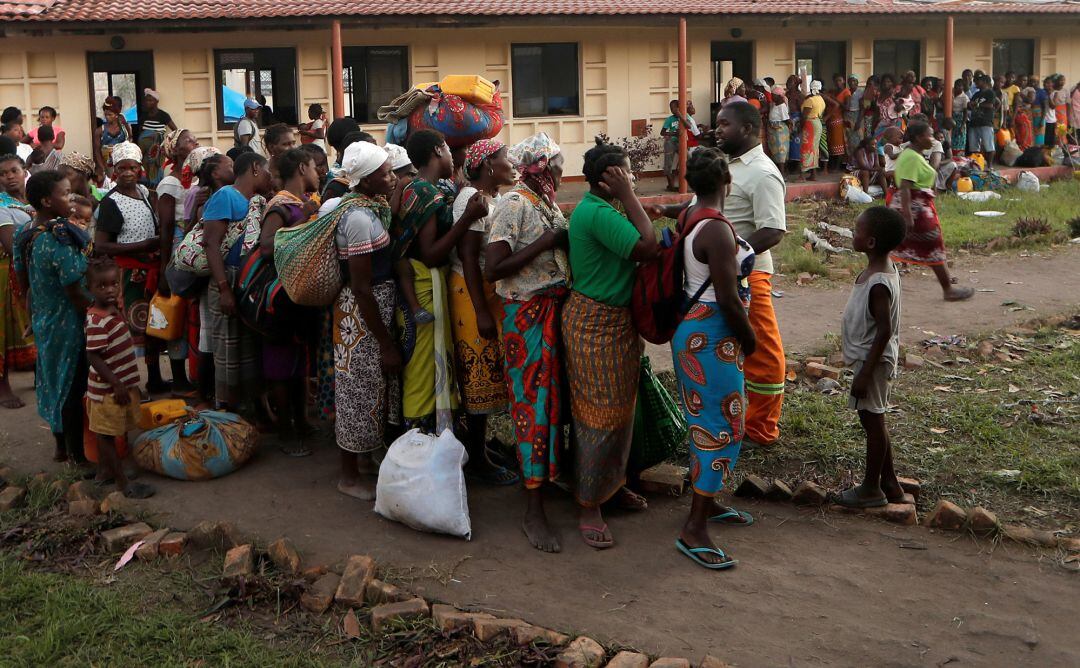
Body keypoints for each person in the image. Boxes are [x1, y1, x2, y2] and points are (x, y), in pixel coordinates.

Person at [563, 140, 659, 549]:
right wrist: (630, 196)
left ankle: (610, 486)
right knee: (597, 417)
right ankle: (589, 504)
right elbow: (648, 246)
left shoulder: (604, 210)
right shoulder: (599, 212)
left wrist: (628, 199)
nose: (633, 178)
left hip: (614, 324)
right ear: (610, 181)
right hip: (596, 326)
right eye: (626, 173)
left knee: (619, 414)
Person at [670, 148, 757, 570]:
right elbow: (728, 299)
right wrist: (751, 341)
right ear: (728, 183)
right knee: (726, 425)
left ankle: (708, 499)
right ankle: (694, 528)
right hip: (713, 337)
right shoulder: (718, 231)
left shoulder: (691, 217)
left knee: (704, 421)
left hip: (695, 334)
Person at [485, 132, 571, 553]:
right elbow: (493, 267)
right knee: (533, 406)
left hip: (553, 310)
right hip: (526, 315)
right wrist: (545, 242)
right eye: (556, 161)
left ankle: (549, 480)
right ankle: (532, 508)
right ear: (540, 166)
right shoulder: (514, 204)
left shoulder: (545, 201)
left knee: (553, 404)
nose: (560, 168)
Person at [394, 129, 482, 432]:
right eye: (447, 147)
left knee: (427, 365)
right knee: (423, 368)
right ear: (436, 151)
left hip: (421, 283)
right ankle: (420, 440)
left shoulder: (423, 188)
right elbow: (430, 253)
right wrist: (468, 218)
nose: (450, 154)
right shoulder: (425, 192)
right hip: (423, 283)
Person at [327, 141, 400, 500]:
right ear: (366, 181)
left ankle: (364, 462)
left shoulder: (369, 208)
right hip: (360, 315)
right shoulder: (357, 218)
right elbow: (360, 286)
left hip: (371, 311)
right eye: (385, 174)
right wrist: (385, 341)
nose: (392, 178)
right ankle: (348, 475)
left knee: (371, 388)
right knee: (355, 392)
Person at [713, 102, 787, 447]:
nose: (717, 130)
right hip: (724, 275)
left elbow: (772, 230)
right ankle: (741, 417)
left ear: (746, 128)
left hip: (750, 275)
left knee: (764, 352)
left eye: (724, 124)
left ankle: (762, 428)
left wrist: (732, 254)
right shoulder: (729, 165)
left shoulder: (762, 172)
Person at [448, 139, 519, 486]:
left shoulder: (491, 199)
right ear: (488, 164)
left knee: (488, 373)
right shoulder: (471, 200)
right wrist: (481, 312)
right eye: (505, 157)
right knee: (477, 375)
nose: (511, 162)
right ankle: (477, 458)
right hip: (470, 293)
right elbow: (468, 258)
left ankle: (481, 450)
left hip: (483, 294)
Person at [832, 206, 910, 509]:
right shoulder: (881, 270)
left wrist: (864, 373)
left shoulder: (879, 283)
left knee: (874, 422)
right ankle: (889, 483)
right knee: (874, 419)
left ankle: (870, 488)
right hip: (870, 359)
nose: (853, 232)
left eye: (858, 229)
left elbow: (884, 330)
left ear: (871, 242)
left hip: (872, 362)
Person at [15, 170, 91, 464]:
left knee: (51, 380)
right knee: (73, 383)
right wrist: (96, 317)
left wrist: (32, 314)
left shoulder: (26, 233)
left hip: (44, 318)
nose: (71, 200)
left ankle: (60, 446)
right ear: (47, 201)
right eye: (65, 194)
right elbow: (74, 290)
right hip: (68, 319)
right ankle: (78, 456)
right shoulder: (58, 238)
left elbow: (24, 283)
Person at [94, 142, 175, 395]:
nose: (128, 172)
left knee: (152, 329)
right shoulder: (111, 202)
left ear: (141, 169)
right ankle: (127, 384)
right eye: (122, 168)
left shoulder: (145, 193)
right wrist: (144, 244)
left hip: (149, 270)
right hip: (128, 275)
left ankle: (153, 378)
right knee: (129, 331)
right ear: (114, 171)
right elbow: (102, 245)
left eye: (132, 167)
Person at [256, 148, 321, 455]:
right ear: (300, 168)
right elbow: (267, 247)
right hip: (278, 300)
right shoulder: (280, 206)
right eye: (313, 167)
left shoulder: (300, 203)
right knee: (281, 367)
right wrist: (304, 220)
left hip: (297, 298)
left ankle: (300, 422)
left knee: (297, 364)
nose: (317, 172)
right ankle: (285, 431)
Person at [203, 151, 272, 413]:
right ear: (255, 168)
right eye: (266, 171)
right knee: (229, 351)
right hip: (228, 279)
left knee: (248, 351)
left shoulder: (256, 200)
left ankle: (249, 411)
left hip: (246, 282)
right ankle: (228, 414)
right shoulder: (226, 196)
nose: (269, 177)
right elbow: (211, 243)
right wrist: (224, 289)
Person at [84, 256, 156, 499]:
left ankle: (106, 472)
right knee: (106, 435)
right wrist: (116, 384)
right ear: (90, 289)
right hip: (107, 391)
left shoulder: (113, 310)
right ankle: (122, 483)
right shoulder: (96, 319)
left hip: (120, 386)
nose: (110, 289)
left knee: (116, 430)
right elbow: (94, 356)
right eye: (102, 286)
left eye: (114, 284)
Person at [889, 120, 973, 302]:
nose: (932, 139)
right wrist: (909, 215)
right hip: (915, 207)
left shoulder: (914, 154)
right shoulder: (911, 156)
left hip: (918, 205)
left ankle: (881, 286)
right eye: (929, 135)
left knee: (895, 247)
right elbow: (904, 186)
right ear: (919, 138)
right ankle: (948, 289)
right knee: (933, 245)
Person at [155, 128, 200, 394]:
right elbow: (167, 227)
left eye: (195, 140)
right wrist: (164, 269)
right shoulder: (170, 183)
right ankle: (178, 376)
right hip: (177, 251)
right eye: (188, 141)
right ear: (175, 149)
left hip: (192, 246)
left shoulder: (195, 181)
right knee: (177, 313)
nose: (194, 143)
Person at [0, 153, 36, 409]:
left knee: (33, 321)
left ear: (24, 170)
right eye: (3, 173)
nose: (9, 177)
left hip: (33, 270)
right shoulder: (1, 205)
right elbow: (12, 244)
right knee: (5, 328)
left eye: (14, 170)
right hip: (6, 273)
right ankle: (3, 387)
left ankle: (40, 377)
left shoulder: (34, 199)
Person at [135, 89, 176, 188]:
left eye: (150, 100)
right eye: (146, 100)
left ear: (156, 101)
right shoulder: (144, 116)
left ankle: (156, 191)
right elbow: (140, 133)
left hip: (157, 151)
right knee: (144, 170)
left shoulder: (163, 115)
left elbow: (175, 130)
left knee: (156, 170)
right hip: (144, 151)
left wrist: (167, 143)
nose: (148, 103)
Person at [94, 98, 131, 179]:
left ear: (116, 115)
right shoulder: (100, 131)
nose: (107, 117)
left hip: (123, 163)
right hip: (108, 165)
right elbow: (97, 151)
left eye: (110, 115)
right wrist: (102, 167)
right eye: (105, 115)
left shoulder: (123, 128)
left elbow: (130, 140)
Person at [967, 75, 999, 156]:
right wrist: (970, 105)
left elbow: (990, 105)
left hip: (986, 122)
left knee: (989, 146)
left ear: (985, 82)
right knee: (973, 147)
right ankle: (976, 165)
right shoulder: (976, 94)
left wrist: (976, 104)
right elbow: (971, 106)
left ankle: (990, 166)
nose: (976, 82)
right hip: (974, 122)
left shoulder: (990, 92)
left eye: (978, 81)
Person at [800, 81, 825, 180]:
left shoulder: (810, 100)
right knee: (814, 149)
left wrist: (800, 127)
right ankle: (813, 174)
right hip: (817, 123)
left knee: (805, 148)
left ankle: (802, 175)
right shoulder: (821, 99)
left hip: (809, 124)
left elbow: (804, 116)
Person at [824, 75, 848, 171]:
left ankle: (837, 166)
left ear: (843, 81)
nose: (838, 82)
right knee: (831, 144)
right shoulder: (832, 91)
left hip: (838, 120)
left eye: (840, 80)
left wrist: (834, 98)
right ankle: (832, 165)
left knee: (839, 145)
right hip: (830, 120)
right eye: (836, 80)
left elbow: (845, 106)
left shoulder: (846, 92)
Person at [766, 85, 791, 174]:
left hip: (780, 130)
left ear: (779, 96)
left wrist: (789, 130)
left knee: (781, 152)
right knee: (774, 151)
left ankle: (783, 173)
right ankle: (777, 172)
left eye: (773, 95)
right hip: (773, 130)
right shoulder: (773, 104)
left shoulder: (782, 106)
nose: (772, 97)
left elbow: (787, 119)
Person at [843, 76, 864, 154]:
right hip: (847, 116)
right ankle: (850, 161)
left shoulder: (861, 92)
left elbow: (862, 108)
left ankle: (859, 159)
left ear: (857, 82)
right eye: (850, 81)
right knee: (848, 137)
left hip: (857, 115)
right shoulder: (846, 92)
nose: (852, 83)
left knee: (858, 137)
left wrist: (858, 122)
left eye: (854, 81)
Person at [950, 79, 970, 155]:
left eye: (959, 86)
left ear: (963, 87)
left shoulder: (964, 97)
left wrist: (962, 126)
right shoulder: (951, 93)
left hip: (960, 119)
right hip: (951, 117)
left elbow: (965, 112)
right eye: (956, 85)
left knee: (959, 138)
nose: (957, 87)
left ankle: (958, 156)